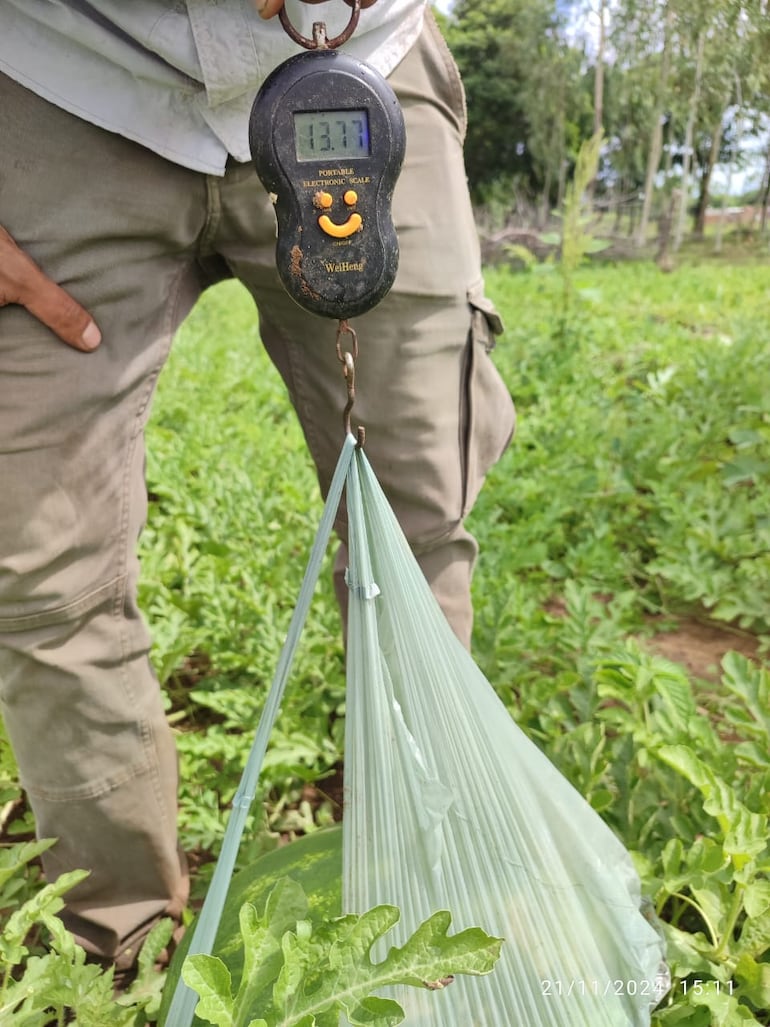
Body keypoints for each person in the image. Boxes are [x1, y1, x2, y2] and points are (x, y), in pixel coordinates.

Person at [0, 0, 515, 975]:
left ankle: (410, 933)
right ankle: (113, 957)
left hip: (368, 56)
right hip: (54, 81)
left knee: (413, 541)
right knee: (37, 577)